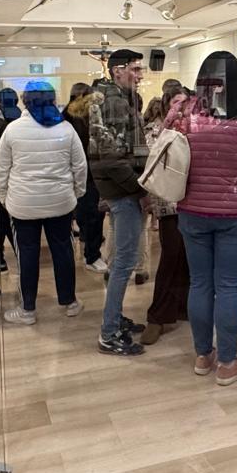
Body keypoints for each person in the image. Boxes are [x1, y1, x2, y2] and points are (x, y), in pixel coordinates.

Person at [165, 51, 237, 386]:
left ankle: (203, 355)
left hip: (192, 211)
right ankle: (228, 362)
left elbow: (166, 146)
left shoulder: (185, 113)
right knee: (228, 286)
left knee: (200, 283)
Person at [0, 82, 87, 324]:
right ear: (52, 99)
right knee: (63, 251)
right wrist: (75, 194)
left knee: (27, 254)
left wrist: (5, 198)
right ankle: (70, 302)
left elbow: (1, 170)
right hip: (60, 202)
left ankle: (27, 309)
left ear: (25, 100)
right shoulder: (66, 129)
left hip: (23, 204)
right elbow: (80, 167)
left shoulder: (13, 130)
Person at [86, 48, 151, 356]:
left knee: (121, 261)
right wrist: (140, 189)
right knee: (124, 263)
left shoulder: (116, 98)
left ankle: (115, 318)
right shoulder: (113, 101)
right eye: (135, 70)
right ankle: (109, 332)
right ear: (118, 70)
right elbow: (112, 157)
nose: (140, 76)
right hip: (123, 192)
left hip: (121, 190)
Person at [141, 86, 193, 344]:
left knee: (187, 257)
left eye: (185, 102)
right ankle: (157, 316)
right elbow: (153, 157)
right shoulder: (156, 129)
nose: (181, 107)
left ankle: (182, 306)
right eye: (176, 102)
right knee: (171, 256)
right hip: (168, 204)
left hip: (191, 202)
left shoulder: (194, 128)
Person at [64, 82, 107, 273]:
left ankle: (91, 252)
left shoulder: (70, 116)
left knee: (90, 214)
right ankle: (92, 255)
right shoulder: (70, 117)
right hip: (85, 171)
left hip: (87, 171)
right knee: (91, 214)